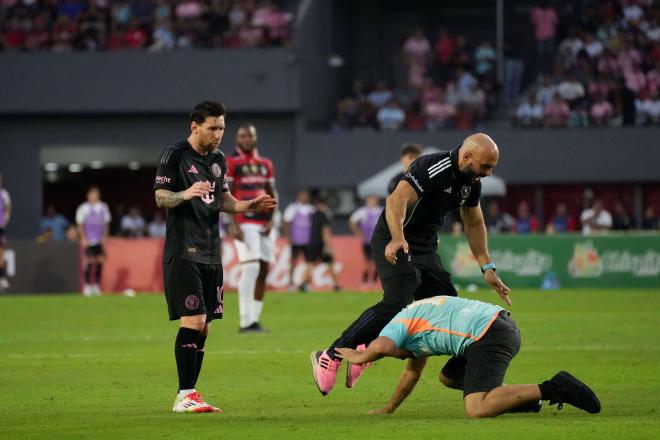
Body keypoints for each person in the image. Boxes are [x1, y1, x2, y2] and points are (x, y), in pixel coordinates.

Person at [311, 133, 511, 396]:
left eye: (492, 167)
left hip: (425, 246)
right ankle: (331, 354)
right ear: (466, 156)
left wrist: (487, 268)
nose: (488, 172)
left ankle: (367, 347)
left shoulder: (471, 182)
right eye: (486, 166)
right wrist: (397, 238)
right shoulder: (432, 167)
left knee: (445, 308)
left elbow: (474, 223)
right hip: (394, 238)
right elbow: (396, 200)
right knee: (398, 301)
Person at [153, 101, 276, 413]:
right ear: (195, 126)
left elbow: (224, 201)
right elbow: (160, 197)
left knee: (205, 326)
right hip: (184, 251)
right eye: (212, 128)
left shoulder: (220, 159)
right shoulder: (175, 154)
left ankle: (190, 395)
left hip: (211, 252)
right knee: (193, 320)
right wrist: (185, 194)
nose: (219, 134)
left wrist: (250, 205)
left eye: (222, 127)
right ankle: (185, 394)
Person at [335, 295, 601, 418]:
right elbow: (412, 373)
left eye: (397, 354)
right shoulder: (416, 321)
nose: (400, 357)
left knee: (476, 409)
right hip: (497, 326)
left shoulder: (397, 325)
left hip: (487, 335)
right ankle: (521, 402)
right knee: (449, 376)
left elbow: (381, 346)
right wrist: (390, 408)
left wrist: (361, 357)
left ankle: (553, 388)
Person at [225, 123, 277, 333]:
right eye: (243, 136)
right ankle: (245, 321)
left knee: (264, 269)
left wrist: (272, 219)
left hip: (264, 223)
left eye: (250, 136)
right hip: (244, 222)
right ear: (238, 139)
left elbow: (272, 190)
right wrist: (232, 223)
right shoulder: (231, 161)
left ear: (255, 138)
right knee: (251, 267)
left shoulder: (265, 163)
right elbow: (224, 193)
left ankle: (254, 319)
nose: (246, 139)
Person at [76, 186, 111, 296]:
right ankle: (87, 286)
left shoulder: (103, 207)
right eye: (92, 194)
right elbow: (80, 224)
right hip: (89, 240)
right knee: (89, 262)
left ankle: (96, 285)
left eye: (96, 194)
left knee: (100, 261)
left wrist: (105, 236)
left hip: (99, 240)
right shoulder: (84, 208)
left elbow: (106, 223)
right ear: (88, 196)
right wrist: (83, 237)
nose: (94, 196)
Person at [300, 197, 340, 291]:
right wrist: (327, 246)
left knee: (310, 264)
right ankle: (335, 285)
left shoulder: (312, 215)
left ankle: (302, 284)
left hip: (311, 243)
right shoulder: (323, 216)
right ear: (322, 205)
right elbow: (325, 231)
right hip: (321, 244)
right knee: (330, 263)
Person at [283, 190, 315, 291]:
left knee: (309, 263)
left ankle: (305, 284)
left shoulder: (312, 209)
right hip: (296, 240)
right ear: (298, 196)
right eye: (302, 195)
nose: (304, 198)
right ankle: (291, 284)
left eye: (306, 196)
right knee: (293, 262)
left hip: (308, 241)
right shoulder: (293, 208)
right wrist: (289, 236)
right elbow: (286, 222)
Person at [349, 195, 383, 290]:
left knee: (378, 262)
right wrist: (358, 232)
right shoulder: (362, 211)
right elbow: (352, 221)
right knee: (367, 262)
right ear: (367, 201)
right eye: (370, 200)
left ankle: (374, 281)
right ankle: (365, 281)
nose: (372, 202)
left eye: (374, 200)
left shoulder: (381, 211)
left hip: (379, 241)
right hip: (367, 241)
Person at [0, 174, 11, 293]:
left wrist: (5, 219)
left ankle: (2, 279)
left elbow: (8, 208)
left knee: (1, 254)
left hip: (0, 228)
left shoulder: (4, 194)